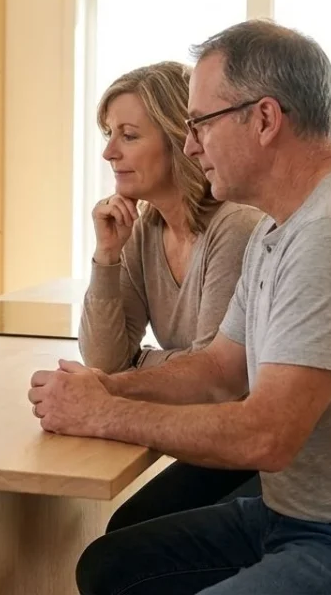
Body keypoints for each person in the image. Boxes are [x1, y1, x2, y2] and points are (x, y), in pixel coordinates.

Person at [29, 19, 331, 594]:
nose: (190, 145)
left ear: (263, 119)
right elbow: (219, 370)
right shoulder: (280, 227)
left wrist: (100, 414)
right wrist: (106, 388)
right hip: (294, 515)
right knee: (110, 566)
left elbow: (266, 437)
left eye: (200, 124)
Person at [79, 61, 262, 532]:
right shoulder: (145, 228)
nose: (108, 152)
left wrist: (141, 365)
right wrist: (106, 257)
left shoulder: (235, 225)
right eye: (108, 134)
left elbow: (218, 380)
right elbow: (105, 359)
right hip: (214, 437)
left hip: (253, 450)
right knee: (126, 525)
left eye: (128, 135)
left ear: (180, 140)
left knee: (127, 533)